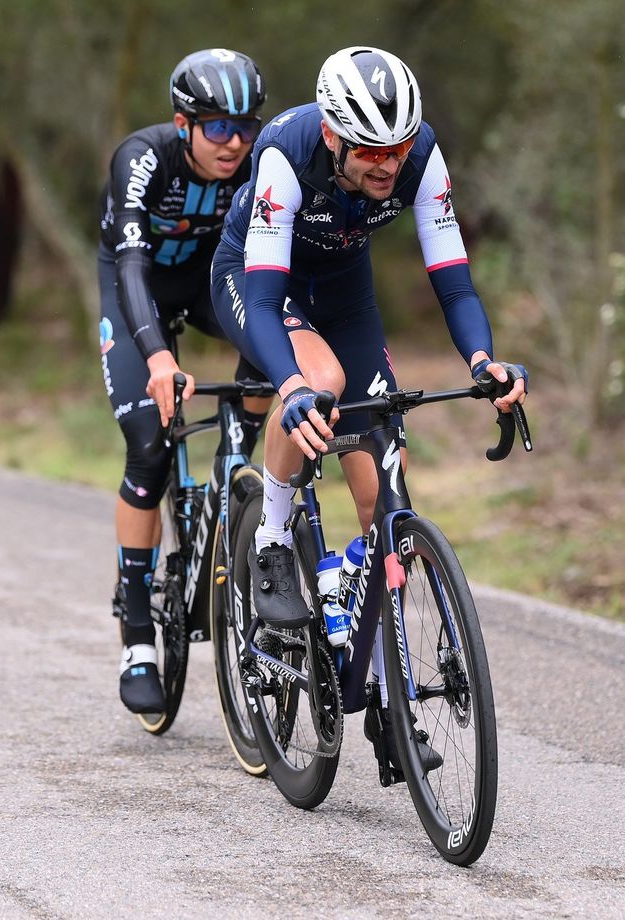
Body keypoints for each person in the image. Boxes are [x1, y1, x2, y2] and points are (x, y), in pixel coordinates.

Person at [211, 46, 527, 768]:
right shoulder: (286, 152)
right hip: (257, 277)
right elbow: (262, 298)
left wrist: (484, 361)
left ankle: (384, 687)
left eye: (400, 147)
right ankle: (271, 541)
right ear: (333, 137)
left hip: (344, 283)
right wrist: (289, 387)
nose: (390, 164)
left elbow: (453, 280)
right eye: (373, 152)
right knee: (316, 378)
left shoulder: (421, 156)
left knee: (386, 485)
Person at [98, 48, 272, 714]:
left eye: (246, 126)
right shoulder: (142, 159)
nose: (235, 142)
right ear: (183, 124)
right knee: (148, 442)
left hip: (207, 284)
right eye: (219, 127)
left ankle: (236, 463)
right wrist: (158, 356)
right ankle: (137, 631)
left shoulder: (259, 162)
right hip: (132, 286)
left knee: (271, 343)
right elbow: (133, 266)